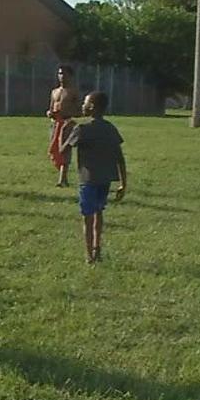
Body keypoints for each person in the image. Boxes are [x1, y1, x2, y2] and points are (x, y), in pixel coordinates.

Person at [59, 91, 126, 264]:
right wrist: (123, 184)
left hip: (88, 180)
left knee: (87, 217)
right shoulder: (110, 128)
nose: (82, 105)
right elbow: (120, 157)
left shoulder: (82, 129)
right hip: (104, 180)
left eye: (85, 103)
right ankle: (97, 248)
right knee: (98, 213)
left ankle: (89, 255)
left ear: (92, 107)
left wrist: (64, 130)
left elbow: (62, 150)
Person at [46, 64, 81, 187]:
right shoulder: (54, 92)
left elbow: (79, 111)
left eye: (65, 74)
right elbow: (50, 108)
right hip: (55, 123)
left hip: (67, 123)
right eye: (60, 73)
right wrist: (50, 113)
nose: (62, 76)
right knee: (54, 150)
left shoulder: (73, 92)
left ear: (71, 76)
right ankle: (61, 176)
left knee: (65, 149)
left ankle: (63, 179)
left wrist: (67, 113)